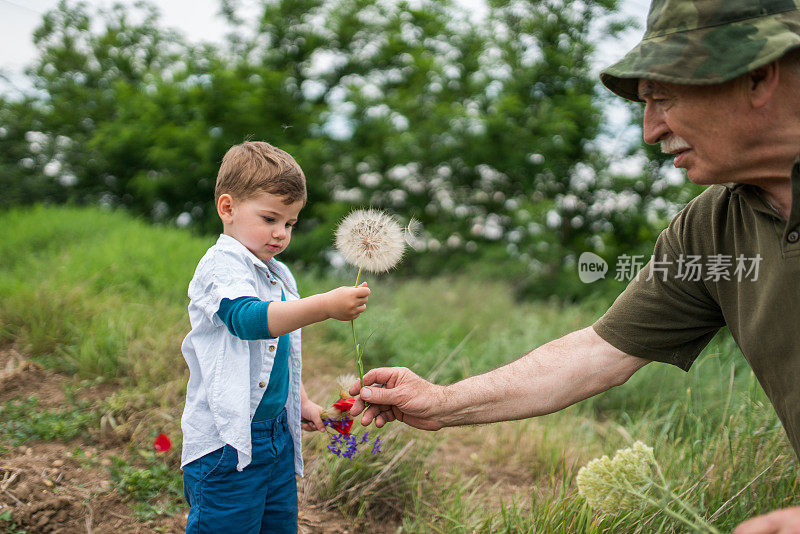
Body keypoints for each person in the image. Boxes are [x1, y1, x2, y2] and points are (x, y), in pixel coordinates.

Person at [348, 1, 800, 531]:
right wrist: (442, 401)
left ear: (757, 75)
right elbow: (599, 351)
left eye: (663, 97)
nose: (650, 131)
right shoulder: (714, 227)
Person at [180, 141, 371, 533]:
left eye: (289, 223)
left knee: (279, 525)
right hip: (227, 442)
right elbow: (247, 321)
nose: (281, 234)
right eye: (270, 218)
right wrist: (324, 307)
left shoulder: (279, 274)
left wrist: (301, 403)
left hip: (275, 436)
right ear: (228, 208)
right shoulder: (221, 265)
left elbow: (276, 355)